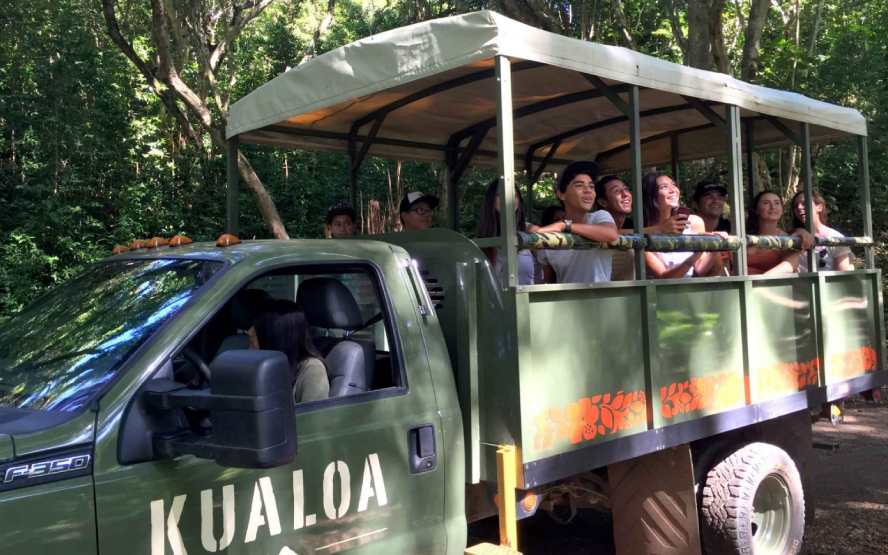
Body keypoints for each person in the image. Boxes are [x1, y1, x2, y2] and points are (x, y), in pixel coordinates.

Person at [593, 175, 693, 280]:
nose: (625, 194)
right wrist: (659, 229)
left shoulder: (634, 225)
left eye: (626, 189)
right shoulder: (596, 221)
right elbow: (608, 233)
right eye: (617, 191)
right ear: (603, 202)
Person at [535, 161, 618, 283]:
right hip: (566, 300)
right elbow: (550, 281)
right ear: (561, 195)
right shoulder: (549, 236)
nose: (588, 190)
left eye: (591, 186)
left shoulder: (599, 217)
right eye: (579, 185)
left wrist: (565, 225)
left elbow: (611, 234)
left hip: (601, 300)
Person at [641, 172, 718, 279]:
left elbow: (700, 270)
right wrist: (695, 255)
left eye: (673, 185)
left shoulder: (695, 222)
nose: (673, 190)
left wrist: (715, 244)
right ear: (651, 195)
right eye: (664, 187)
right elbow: (664, 277)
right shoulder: (646, 231)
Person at [251, 300, 330, 403]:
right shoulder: (263, 365)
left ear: (276, 334)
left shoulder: (312, 369)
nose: (249, 332)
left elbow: (314, 418)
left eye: (257, 327)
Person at [476, 179, 540, 285]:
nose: (508, 198)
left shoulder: (530, 231)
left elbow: (550, 276)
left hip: (526, 300)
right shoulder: (484, 237)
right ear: (491, 200)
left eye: (514, 195)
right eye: (500, 194)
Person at [790, 190, 853, 271]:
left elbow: (845, 275)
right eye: (795, 206)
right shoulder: (792, 236)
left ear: (819, 207)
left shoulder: (836, 238)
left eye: (804, 203)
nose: (799, 207)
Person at [745, 190, 805, 275]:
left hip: (764, 285)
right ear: (756, 210)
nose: (773, 207)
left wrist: (755, 283)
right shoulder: (744, 235)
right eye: (766, 203)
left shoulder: (788, 239)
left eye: (777, 203)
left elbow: (788, 267)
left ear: (781, 210)